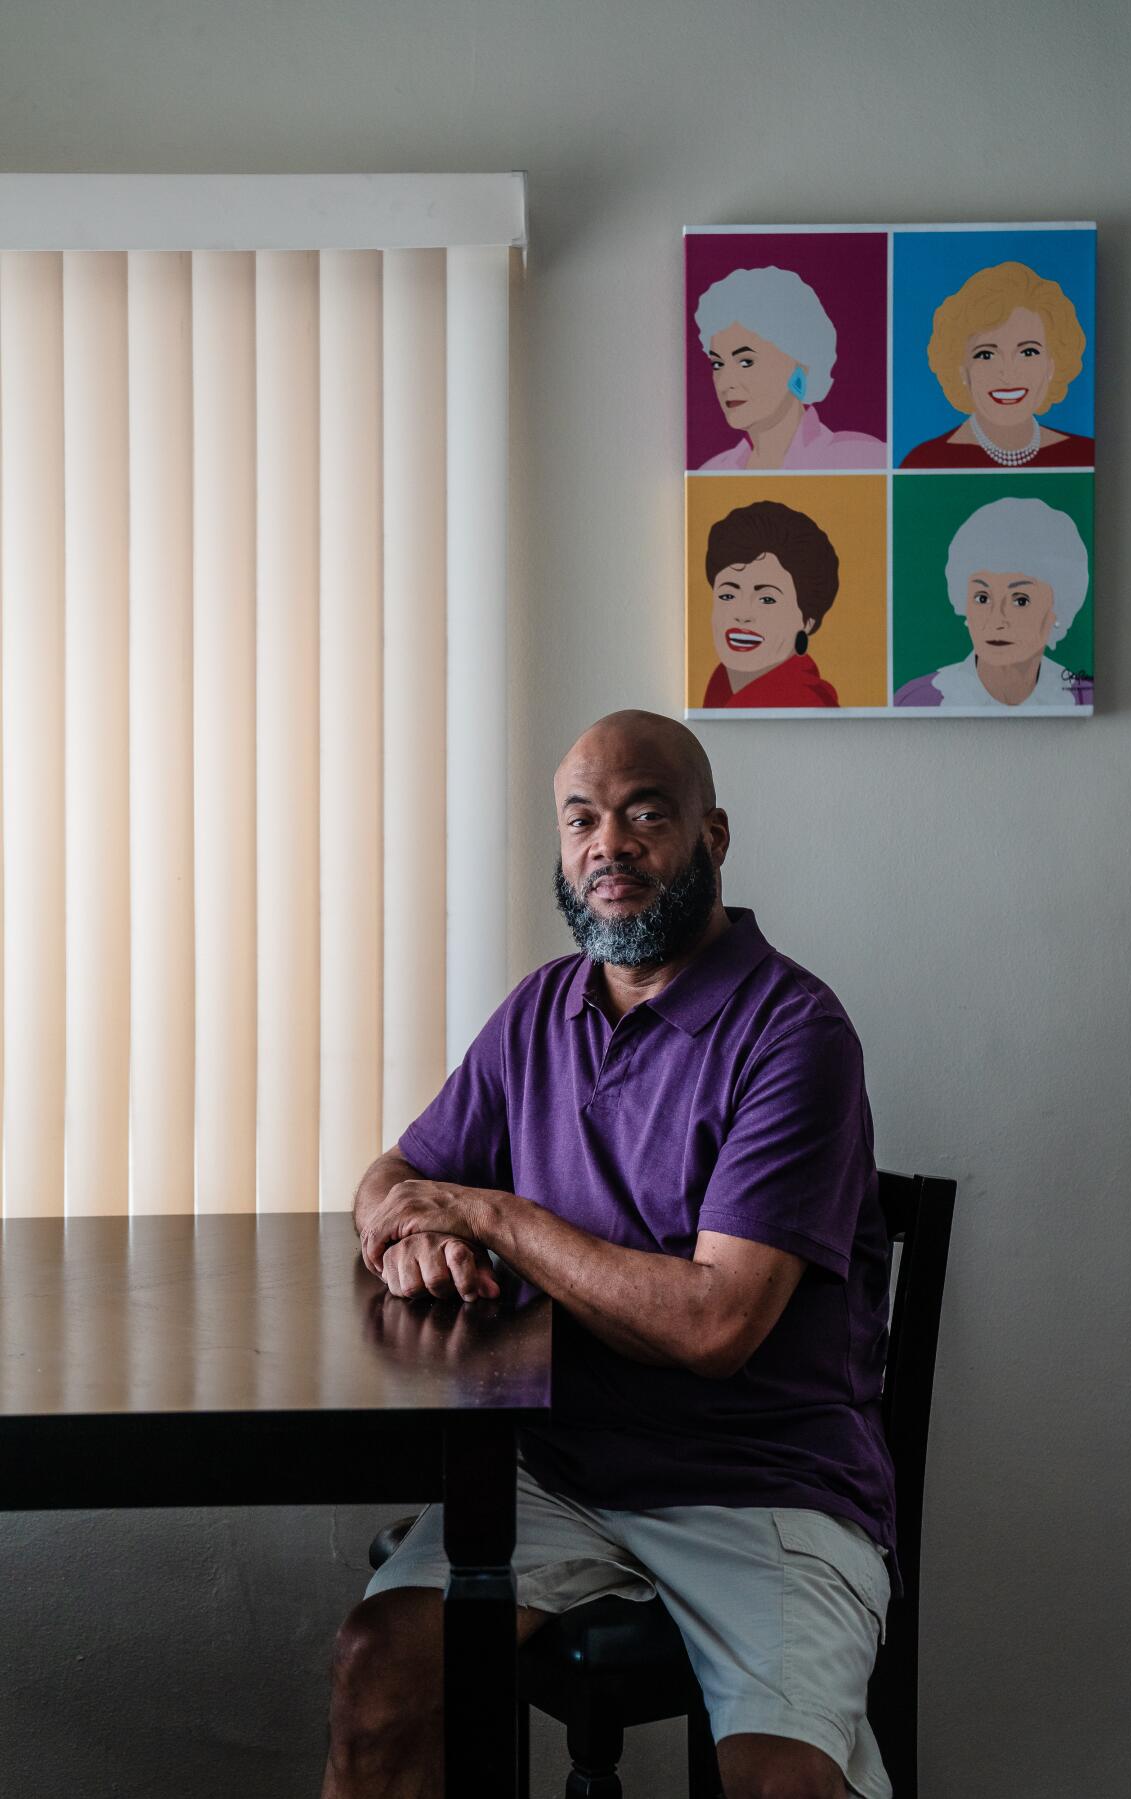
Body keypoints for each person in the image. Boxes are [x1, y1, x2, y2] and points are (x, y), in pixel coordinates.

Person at [322, 710, 895, 1799]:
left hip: (764, 1487)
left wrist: (489, 1217)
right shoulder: (540, 1009)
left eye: (645, 813)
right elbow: (394, 1174)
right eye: (582, 819)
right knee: (378, 1672)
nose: (609, 845)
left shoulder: (797, 1032)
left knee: (784, 1786)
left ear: (713, 835)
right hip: (561, 1474)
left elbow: (715, 1324)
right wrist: (405, 1238)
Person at [894, 496, 1093, 709]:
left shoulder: (1084, 696)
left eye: (1021, 601)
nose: (997, 620)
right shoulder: (918, 699)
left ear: (1058, 610)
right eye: (982, 598)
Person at [900, 261, 1093, 469]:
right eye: (986, 355)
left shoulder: (1083, 455)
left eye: (1028, 352)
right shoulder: (924, 463)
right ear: (961, 370)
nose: (1008, 373)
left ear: (1052, 366)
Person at [694, 265, 886, 470]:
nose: (725, 382)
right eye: (717, 364)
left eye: (745, 362)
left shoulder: (865, 459)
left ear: (801, 362)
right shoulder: (713, 471)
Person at [702, 498, 841, 708]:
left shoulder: (804, 701)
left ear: (807, 621)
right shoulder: (719, 688)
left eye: (767, 599)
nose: (742, 614)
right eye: (728, 595)